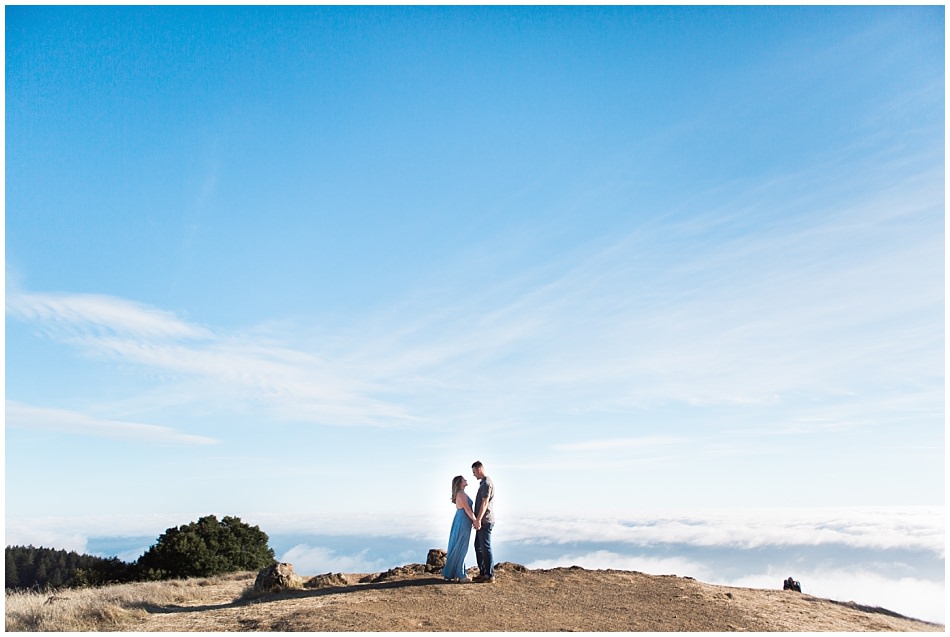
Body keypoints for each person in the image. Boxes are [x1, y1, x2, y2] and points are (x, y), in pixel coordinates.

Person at [443, 475, 477, 583]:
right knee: (461, 546)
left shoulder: (461, 493)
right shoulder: (461, 494)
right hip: (463, 521)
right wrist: (476, 521)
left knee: (460, 546)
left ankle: (458, 573)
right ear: (460, 483)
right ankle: (461, 575)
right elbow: (467, 509)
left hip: (462, 520)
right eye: (464, 479)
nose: (466, 480)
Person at [471, 460, 495, 583]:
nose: (473, 474)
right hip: (483, 520)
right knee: (479, 547)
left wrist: (478, 520)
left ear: (479, 469)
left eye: (474, 471)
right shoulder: (483, 483)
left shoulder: (486, 483)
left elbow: (484, 503)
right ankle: (484, 572)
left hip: (485, 520)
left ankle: (489, 575)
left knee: (485, 547)